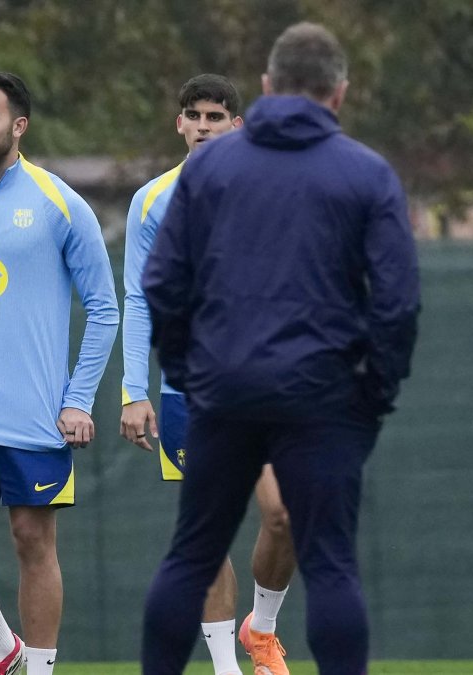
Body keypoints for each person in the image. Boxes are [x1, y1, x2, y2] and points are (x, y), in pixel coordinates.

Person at [140, 23, 420, 675]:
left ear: (266, 88)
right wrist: (373, 392)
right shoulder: (366, 173)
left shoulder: (209, 166)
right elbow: (398, 301)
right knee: (331, 565)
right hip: (323, 398)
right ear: (339, 93)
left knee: (191, 557)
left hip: (224, 391)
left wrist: (191, 372)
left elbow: (161, 282)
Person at [0, 71, 120, 675]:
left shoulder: (61, 203)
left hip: (35, 411)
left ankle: (38, 670)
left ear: (18, 126)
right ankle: (0, 647)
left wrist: (77, 400)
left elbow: (104, 309)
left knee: (32, 541)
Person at [122, 74, 296, 675]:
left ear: (237, 126)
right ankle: (225, 667)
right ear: (179, 123)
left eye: (215, 116)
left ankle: (262, 628)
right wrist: (132, 391)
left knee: (284, 515)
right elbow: (138, 300)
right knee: (210, 534)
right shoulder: (151, 200)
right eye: (193, 115)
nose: (202, 125)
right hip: (188, 394)